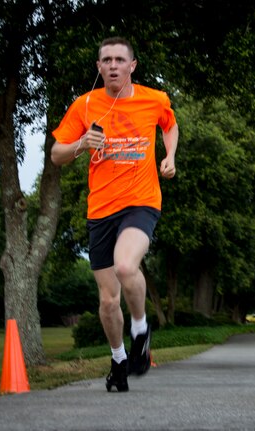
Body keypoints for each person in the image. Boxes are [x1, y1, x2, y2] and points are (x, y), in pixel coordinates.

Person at [50, 37, 179, 392]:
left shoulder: (154, 99)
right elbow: (56, 154)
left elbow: (169, 124)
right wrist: (80, 145)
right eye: (106, 60)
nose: (113, 65)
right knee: (107, 302)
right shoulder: (85, 104)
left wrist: (169, 157)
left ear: (132, 65)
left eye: (120, 59)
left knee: (126, 266)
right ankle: (119, 358)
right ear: (99, 67)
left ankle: (140, 329)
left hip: (141, 201)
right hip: (100, 210)